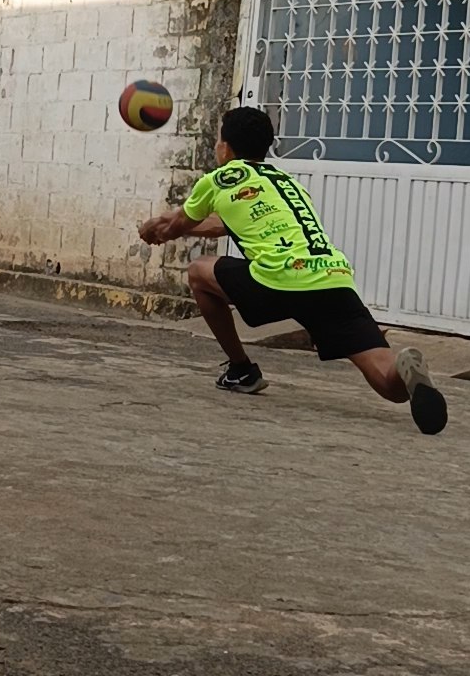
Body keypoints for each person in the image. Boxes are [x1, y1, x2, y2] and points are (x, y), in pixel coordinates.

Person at [139, 104, 448, 433]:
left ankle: (242, 370)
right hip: (331, 278)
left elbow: (180, 225)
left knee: (199, 271)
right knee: (387, 384)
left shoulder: (220, 179)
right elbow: (222, 224)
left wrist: (155, 228)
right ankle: (404, 371)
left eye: (217, 140)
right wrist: (175, 224)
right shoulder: (285, 182)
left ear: (225, 148)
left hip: (278, 280)